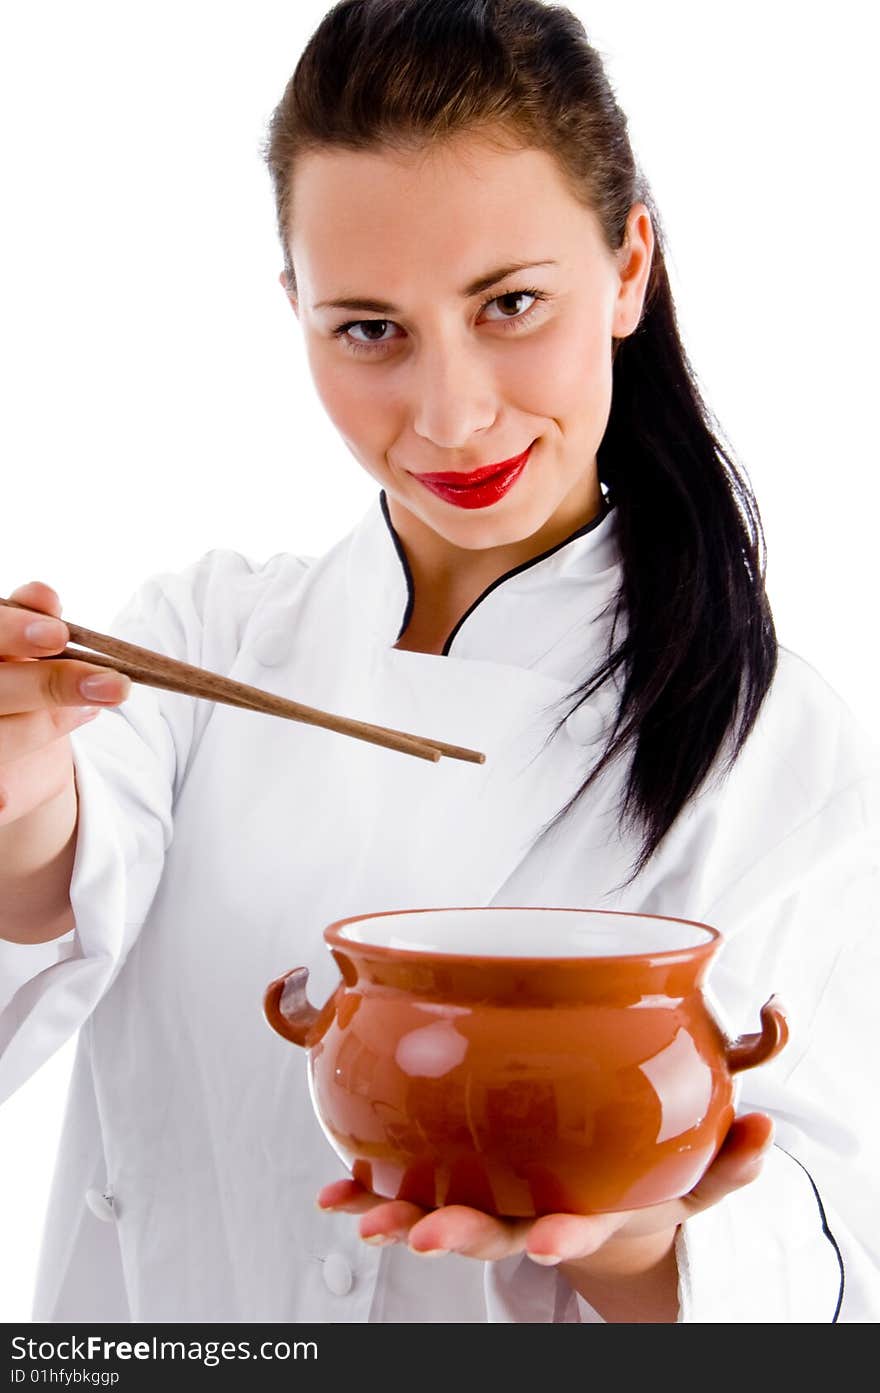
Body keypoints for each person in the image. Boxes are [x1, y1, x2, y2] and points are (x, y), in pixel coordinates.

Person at [0, 0, 877, 1324]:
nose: (451, 412)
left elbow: (822, 1266)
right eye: (369, 329)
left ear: (629, 264)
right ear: (294, 308)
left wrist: (633, 1246)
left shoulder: (779, 744)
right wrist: (17, 773)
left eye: (511, 303)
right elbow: (52, 875)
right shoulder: (199, 640)